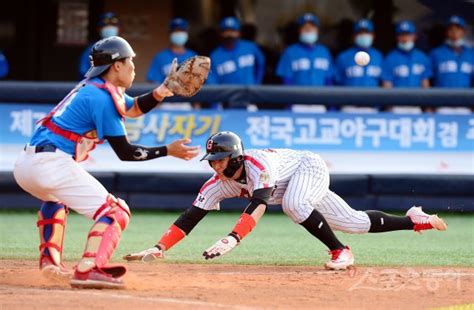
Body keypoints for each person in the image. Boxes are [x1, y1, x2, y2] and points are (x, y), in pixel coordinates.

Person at [13, 36, 200, 289]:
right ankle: (90, 268)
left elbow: (132, 108)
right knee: (116, 211)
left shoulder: (94, 87)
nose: (134, 66)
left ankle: (50, 262)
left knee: (55, 199)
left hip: (26, 164)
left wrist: (162, 91)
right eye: (130, 61)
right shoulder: (102, 97)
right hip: (51, 163)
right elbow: (125, 152)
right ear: (116, 66)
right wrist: (168, 150)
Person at [124, 131, 447, 270]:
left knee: (294, 204)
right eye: (212, 159)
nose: (215, 164)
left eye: (221, 159)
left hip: (307, 168)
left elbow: (261, 201)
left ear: (236, 157)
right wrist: (159, 247)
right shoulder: (218, 182)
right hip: (293, 186)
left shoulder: (257, 165)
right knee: (355, 223)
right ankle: (413, 219)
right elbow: (191, 215)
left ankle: (340, 252)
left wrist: (234, 237)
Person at [276, 13, 333, 86]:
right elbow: (286, 80)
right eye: (305, 28)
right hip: (298, 96)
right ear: (299, 31)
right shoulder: (289, 52)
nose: (309, 30)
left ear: (317, 31)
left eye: (312, 28)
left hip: (320, 96)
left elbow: (329, 79)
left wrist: (327, 96)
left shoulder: (324, 52)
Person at [207, 16, 265, 85]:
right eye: (226, 31)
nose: (230, 34)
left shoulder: (250, 47)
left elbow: (261, 64)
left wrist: (257, 84)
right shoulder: (214, 56)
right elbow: (212, 82)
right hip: (228, 95)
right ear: (220, 33)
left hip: (250, 93)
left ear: (239, 32)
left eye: (233, 31)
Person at [382, 20, 432, 88]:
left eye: (408, 35)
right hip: (397, 98)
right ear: (397, 37)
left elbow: (425, 84)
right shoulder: (390, 58)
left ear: (414, 36)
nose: (405, 39)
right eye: (402, 35)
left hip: (418, 98)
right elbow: (387, 87)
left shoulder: (422, 57)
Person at [147, 18, 197, 83]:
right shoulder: (160, 57)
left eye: (182, 30)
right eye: (176, 31)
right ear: (170, 34)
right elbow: (153, 82)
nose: (179, 33)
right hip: (166, 92)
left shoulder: (194, 57)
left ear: (187, 33)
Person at [335, 19, 383, 87]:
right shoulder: (343, 57)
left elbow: (384, 83)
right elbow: (336, 83)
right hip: (350, 97)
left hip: (373, 97)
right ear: (354, 36)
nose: (363, 35)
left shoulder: (379, 56)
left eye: (366, 32)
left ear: (373, 35)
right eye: (360, 33)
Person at [430, 15, 473, 88]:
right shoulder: (435, 53)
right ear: (446, 32)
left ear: (463, 32)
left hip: (465, 98)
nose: (454, 32)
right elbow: (427, 80)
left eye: (458, 29)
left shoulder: (471, 54)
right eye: (451, 29)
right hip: (441, 98)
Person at [79, 12, 121, 78]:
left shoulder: (122, 48)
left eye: (112, 26)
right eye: (106, 26)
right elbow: (83, 71)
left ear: (119, 29)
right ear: (99, 29)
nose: (110, 29)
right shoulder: (92, 49)